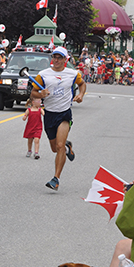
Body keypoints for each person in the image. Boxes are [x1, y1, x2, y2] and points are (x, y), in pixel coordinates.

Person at [30, 46, 86, 191]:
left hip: (64, 114)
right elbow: (33, 93)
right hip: (49, 114)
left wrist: (80, 95)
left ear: (65, 60)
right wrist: (40, 94)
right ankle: (68, 146)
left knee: (59, 146)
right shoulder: (43, 75)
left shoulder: (73, 74)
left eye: (59, 57)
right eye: (54, 57)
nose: (56, 60)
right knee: (55, 148)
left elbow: (82, 84)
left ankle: (56, 179)